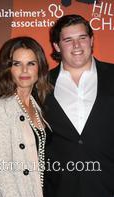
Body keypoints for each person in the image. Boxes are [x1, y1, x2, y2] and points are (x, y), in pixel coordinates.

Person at [44, 14, 114, 197]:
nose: (76, 46)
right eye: (68, 40)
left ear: (91, 40)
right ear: (57, 46)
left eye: (82, 38)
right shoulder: (40, 84)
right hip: (59, 189)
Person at [0, 37, 52, 197]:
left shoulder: (37, 105)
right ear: (8, 69)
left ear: (39, 68)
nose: (24, 70)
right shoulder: (0, 108)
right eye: (17, 64)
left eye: (31, 63)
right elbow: (1, 170)